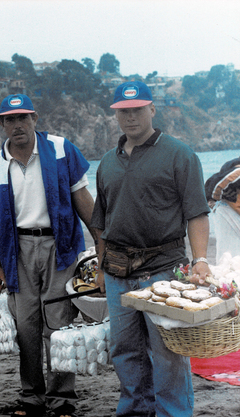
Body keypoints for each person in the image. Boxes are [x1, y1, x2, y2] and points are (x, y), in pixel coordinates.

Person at [90, 81, 212, 417]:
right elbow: (102, 221)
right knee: (124, 350)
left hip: (164, 270)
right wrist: (101, 266)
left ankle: (173, 413)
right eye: (123, 111)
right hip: (117, 272)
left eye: (137, 109)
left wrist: (200, 260)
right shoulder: (106, 162)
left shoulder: (179, 154)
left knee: (168, 351)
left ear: (152, 110)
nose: (130, 117)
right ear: (116, 114)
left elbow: (197, 213)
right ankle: (135, 411)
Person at [0, 94, 97, 417]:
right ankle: (31, 396)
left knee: (58, 326)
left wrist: (101, 242)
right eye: (10, 119)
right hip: (18, 250)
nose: (17, 125)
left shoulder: (60, 149)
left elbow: (82, 198)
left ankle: (62, 399)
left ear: (35, 118)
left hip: (60, 247)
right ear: (2, 124)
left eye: (23, 118)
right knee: (26, 326)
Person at [204, 157, 240, 262]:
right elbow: (212, 185)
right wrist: (213, 201)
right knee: (230, 258)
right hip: (226, 207)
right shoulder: (236, 173)